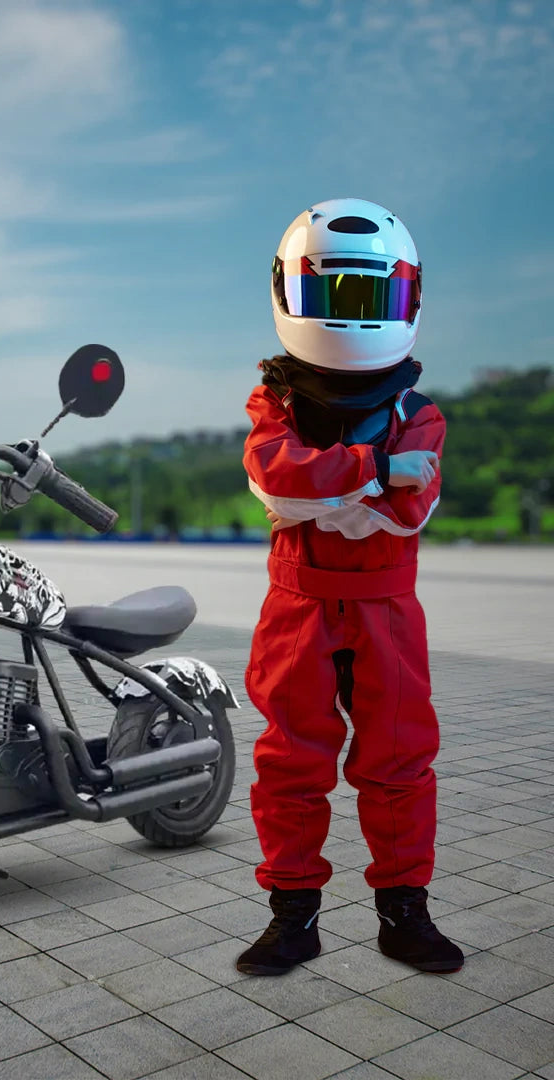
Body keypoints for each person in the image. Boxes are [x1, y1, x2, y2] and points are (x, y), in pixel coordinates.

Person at [237, 197, 464, 976]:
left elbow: (404, 516)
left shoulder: (418, 412)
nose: (356, 316)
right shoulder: (278, 400)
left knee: (399, 762)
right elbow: (278, 482)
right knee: (290, 763)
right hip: (302, 604)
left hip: (382, 607)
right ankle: (292, 920)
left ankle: (404, 915)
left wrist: (332, 487)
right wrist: (373, 469)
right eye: (340, 296)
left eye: (372, 297)